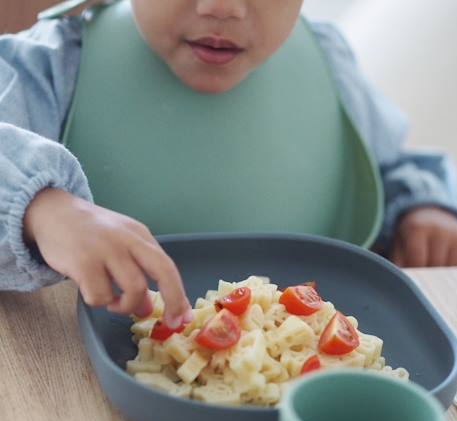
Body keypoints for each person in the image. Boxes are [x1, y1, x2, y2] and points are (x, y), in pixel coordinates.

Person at [0, 0, 456, 328]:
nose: (223, 7)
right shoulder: (51, 65)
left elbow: (389, 167)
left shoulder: (328, 60)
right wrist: (41, 209)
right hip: (81, 368)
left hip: (306, 379)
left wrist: (424, 208)